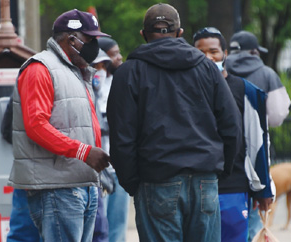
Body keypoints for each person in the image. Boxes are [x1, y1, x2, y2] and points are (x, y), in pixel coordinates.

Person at [107, 4, 242, 242]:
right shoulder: (208, 69)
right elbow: (231, 126)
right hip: (204, 177)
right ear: (179, 33)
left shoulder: (129, 72)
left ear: (143, 34)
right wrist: (218, 170)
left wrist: (132, 183)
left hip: (156, 179)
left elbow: (121, 136)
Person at [8, 9, 111, 242]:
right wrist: (83, 151)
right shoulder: (40, 68)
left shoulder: (77, 71)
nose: (95, 45)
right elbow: (36, 125)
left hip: (81, 182)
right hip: (57, 187)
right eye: (90, 39)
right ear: (71, 39)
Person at [193, 27, 274, 242]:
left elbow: (259, 142)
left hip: (233, 188)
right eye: (200, 52)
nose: (207, 58)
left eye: (213, 51)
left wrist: (263, 188)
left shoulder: (245, 91)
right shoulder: (184, 90)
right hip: (193, 187)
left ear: (225, 54)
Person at [225, 30, 289, 241]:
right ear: (254, 51)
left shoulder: (217, 71)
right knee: (253, 216)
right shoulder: (266, 73)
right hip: (256, 152)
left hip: (222, 157)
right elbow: (279, 115)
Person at [98, 36, 131, 242]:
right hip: (99, 169)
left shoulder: (122, 82)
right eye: (114, 54)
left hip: (119, 167)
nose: (120, 57)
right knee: (100, 227)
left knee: (118, 227)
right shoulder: (92, 84)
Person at [91, 49, 112, 242]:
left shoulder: (98, 96)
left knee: (101, 231)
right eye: (95, 66)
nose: (100, 71)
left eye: (103, 66)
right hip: (84, 176)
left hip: (100, 173)